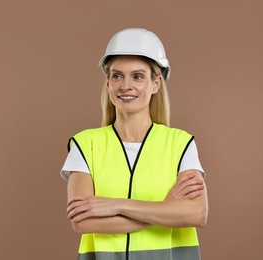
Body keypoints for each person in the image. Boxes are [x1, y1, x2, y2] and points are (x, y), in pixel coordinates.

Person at [60, 28, 208, 260]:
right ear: (108, 83)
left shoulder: (181, 144)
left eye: (137, 76)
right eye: (117, 76)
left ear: (156, 84)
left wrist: (116, 205)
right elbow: (82, 221)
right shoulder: (85, 145)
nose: (125, 85)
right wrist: (165, 210)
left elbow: (196, 213)